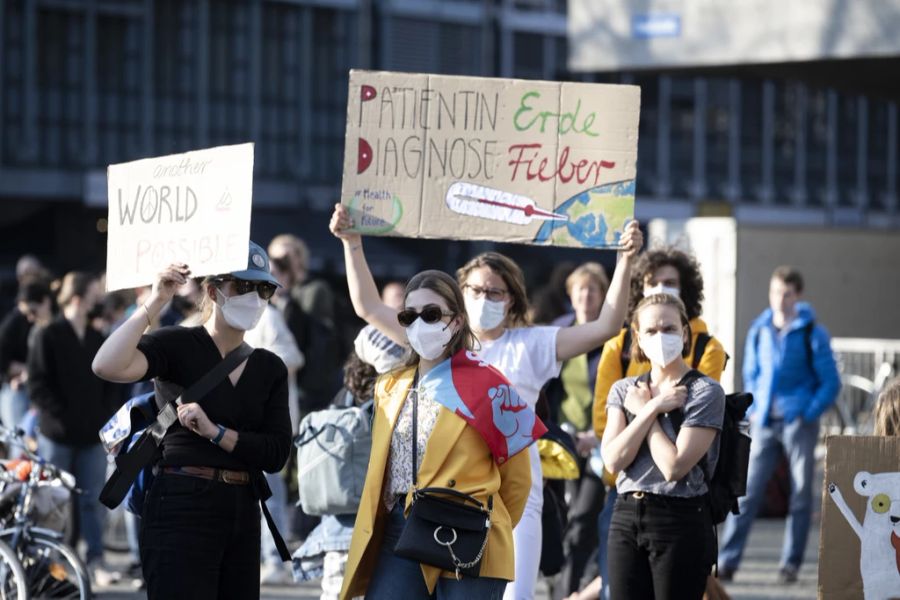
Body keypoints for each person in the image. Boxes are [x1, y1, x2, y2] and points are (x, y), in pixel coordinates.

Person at [330, 203, 642, 599]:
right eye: (475, 289)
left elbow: (605, 327)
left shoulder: (529, 345)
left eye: (495, 291)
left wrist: (625, 259)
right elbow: (369, 307)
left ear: (510, 299)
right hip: (412, 517)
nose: (484, 298)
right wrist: (351, 242)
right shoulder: (407, 367)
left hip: (491, 506)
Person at [92, 241, 292, 599]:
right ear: (213, 291)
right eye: (243, 286)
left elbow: (276, 452)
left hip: (242, 507)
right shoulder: (177, 343)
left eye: (263, 289)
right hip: (181, 500)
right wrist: (155, 301)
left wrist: (218, 434)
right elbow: (106, 364)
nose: (255, 298)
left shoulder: (269, 366)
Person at [335, 267, 536, 599]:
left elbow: (518, 479)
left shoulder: (490, 384)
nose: (419, 323)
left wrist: (486, 526)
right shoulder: (389, 384)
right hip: (400, 526)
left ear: (456, 321)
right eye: (409, 315)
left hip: (466, 527)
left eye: (431, 314)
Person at [590, 246, 727, 599]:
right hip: (626, 513)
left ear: (684, 334)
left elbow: (674, 466)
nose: (660, 336)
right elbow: (613, 459)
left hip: (679, 517)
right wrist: (652, 409)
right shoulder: (625, 389)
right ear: (637, 338)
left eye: (669, 328)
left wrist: (646, 412)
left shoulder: (705, 391)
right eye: (650, 330)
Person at [718, 266, 840, 584]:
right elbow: (751, 372)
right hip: (765, 423)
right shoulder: (760, 329)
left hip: (798, 421)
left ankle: (791, 564)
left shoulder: (812, 330)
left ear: (797, 295)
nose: (780, 300)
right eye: (775, 293)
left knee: (800, 495)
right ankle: (728, 561)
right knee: (746, 492)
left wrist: (807, 412)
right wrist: (755, 408)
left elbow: (830, 382)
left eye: (786, 294)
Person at [26, 272, 123, 582]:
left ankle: (96, 561)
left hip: (91, 434)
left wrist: (104, 415)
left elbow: (110, 383)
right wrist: (61, 415)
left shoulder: (97, 337)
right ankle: (50, 564)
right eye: (94, 295)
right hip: (57, 434)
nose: (99, 301)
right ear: (79, 298)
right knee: (52, 502)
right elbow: (37, 384)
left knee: (91, 500)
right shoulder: (48, 335)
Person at [544, 262, 610, 598]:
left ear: (602, 296)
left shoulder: (613, 337)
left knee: (585, 520)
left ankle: (575, 591)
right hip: (562, 440)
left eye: (593, 289)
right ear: (571, 294)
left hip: (600, 442)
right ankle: (566, 587)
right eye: (580, 289)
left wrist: (596, 436)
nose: (586, 295)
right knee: (562, 522)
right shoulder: (558, 332)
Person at [244, 300, 304, 585]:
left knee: (271, 494)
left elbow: (293, 356)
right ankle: (261, 559)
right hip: (239, 425)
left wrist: (252, 361)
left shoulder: (267, 315)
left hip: (269, 425)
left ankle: (275, 560)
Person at [0, 278, 53, 430]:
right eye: (26, 313)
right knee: (21, 443)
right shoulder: (16, 323)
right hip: (21, 391)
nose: (30, 317)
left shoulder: (56, 326)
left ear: (46, 302)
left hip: (46, 397)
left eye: (33, 312)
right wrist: (26, 371)